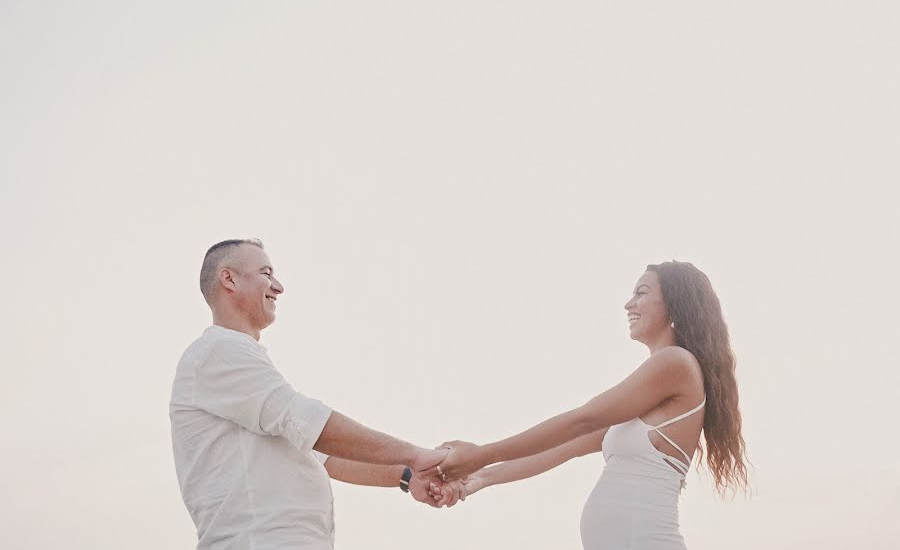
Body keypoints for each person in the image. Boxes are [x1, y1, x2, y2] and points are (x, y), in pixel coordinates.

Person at [432, 261, 749, 549]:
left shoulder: (675, 363)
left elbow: (581, 420)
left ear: (675, 303)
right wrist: (478, 478)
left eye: (641, 292)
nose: (628, 303)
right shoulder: (652, 393)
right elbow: (563, 447)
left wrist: (478, 455)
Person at [170, 239, 453, 550]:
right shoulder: (219, 351)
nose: (278, 287)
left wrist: (408, 475)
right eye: (266, 273)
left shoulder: (239, 365)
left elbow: (325, 457)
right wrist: (416, 454)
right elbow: (309, 424)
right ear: (229, 279)